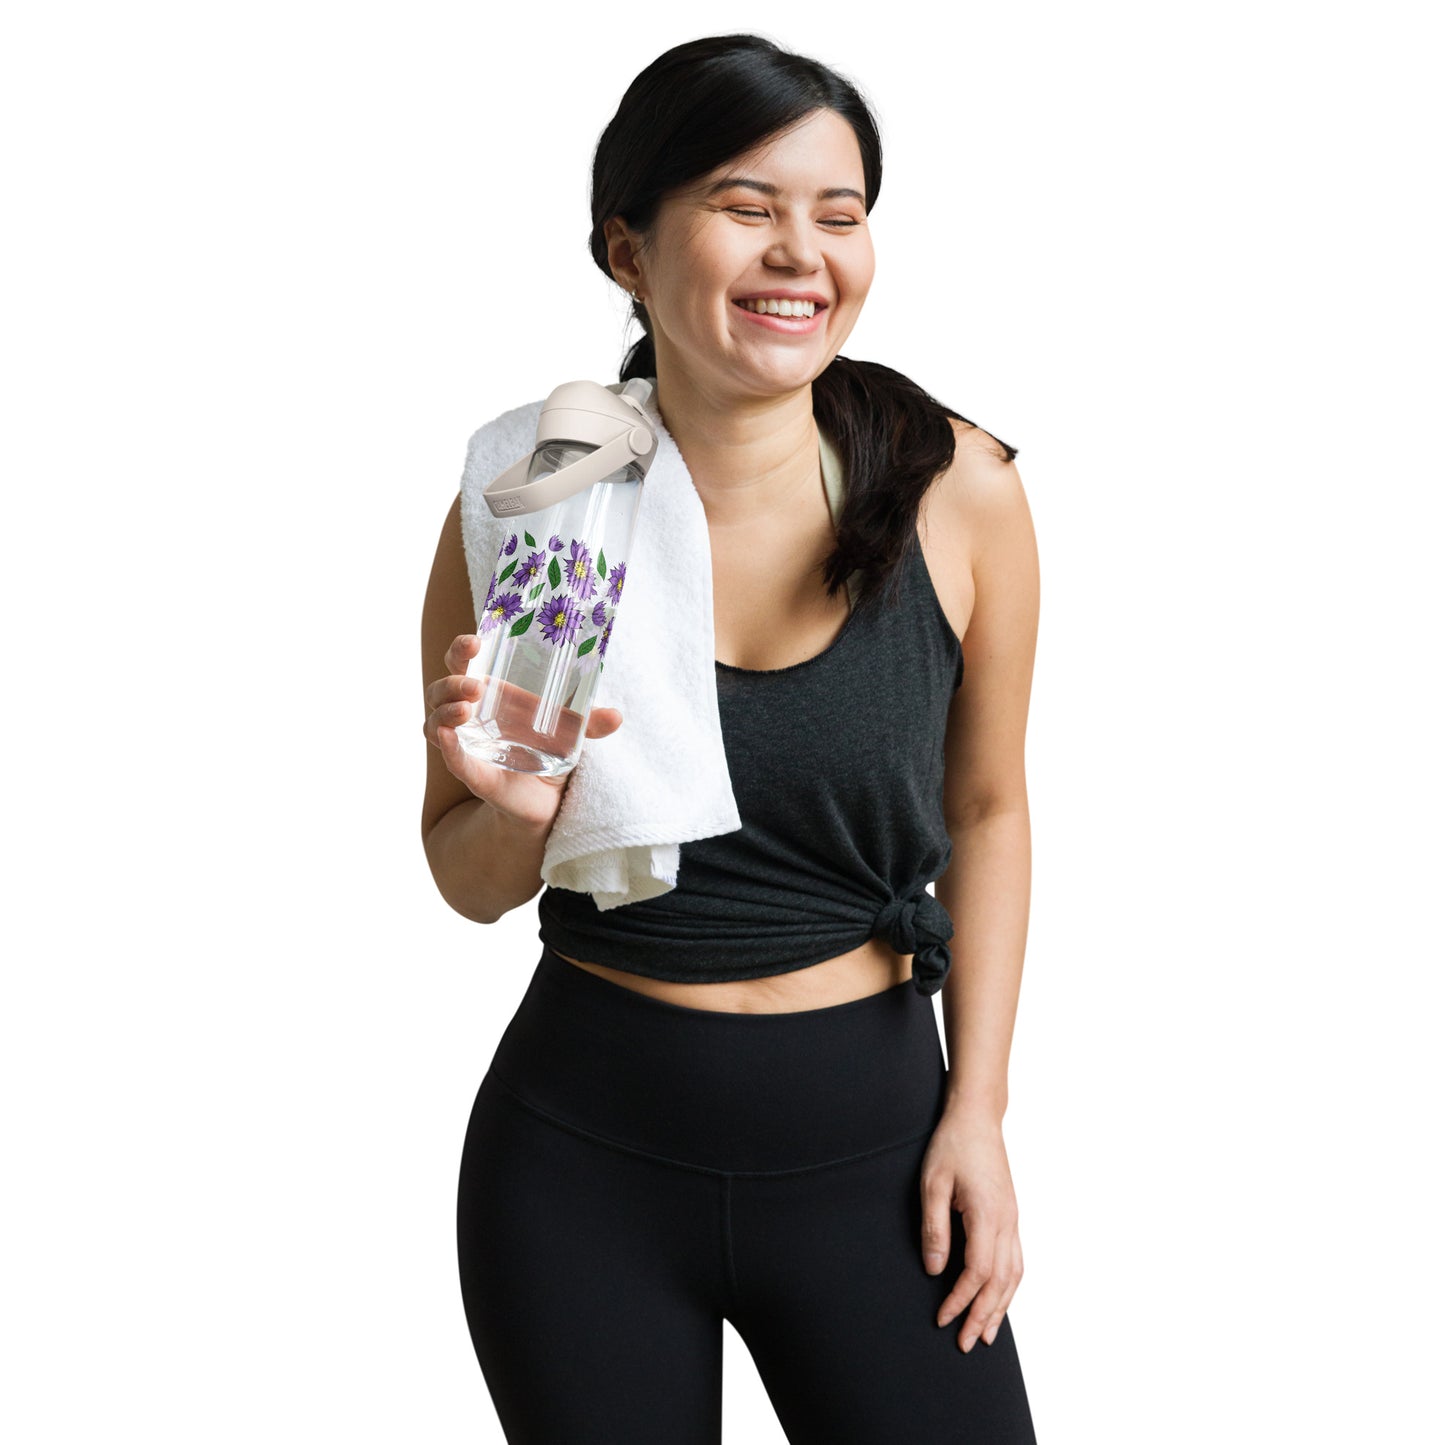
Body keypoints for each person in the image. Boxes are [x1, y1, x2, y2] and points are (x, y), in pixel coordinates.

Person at [420, 34, 1040, 1445]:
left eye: (838, 213)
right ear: (627, 250)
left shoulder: (960, 492)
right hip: (580, 1161)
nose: (800, 254)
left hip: (878, 1152)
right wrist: (517, 810)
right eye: (747, 207)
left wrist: (980, 1113)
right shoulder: (536, 505)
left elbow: (990, 809)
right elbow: (463, 878)